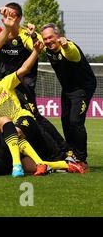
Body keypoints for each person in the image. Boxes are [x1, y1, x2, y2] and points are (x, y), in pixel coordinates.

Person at [0, 3, 70, 161]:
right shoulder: (0, 36)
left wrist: (34, 36)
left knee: (35, 118)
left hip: (23, 88)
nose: (9, 17)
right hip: (5, 88)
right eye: (6, 14)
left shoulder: (25, 35)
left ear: (19, 18)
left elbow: (38, 45)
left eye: (12, 15)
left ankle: (63, 152)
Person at [40, 23, 97, 169]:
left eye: (50, 37)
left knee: (75, 121)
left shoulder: (69, 48)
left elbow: (71, 52)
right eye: (45, 39)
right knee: (65, 120)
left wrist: (65, 45)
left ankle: (82, 160)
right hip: (68, 89)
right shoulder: (47, 48)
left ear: (58, 36)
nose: (48, 41)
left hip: (83, 88)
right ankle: (72, 154)